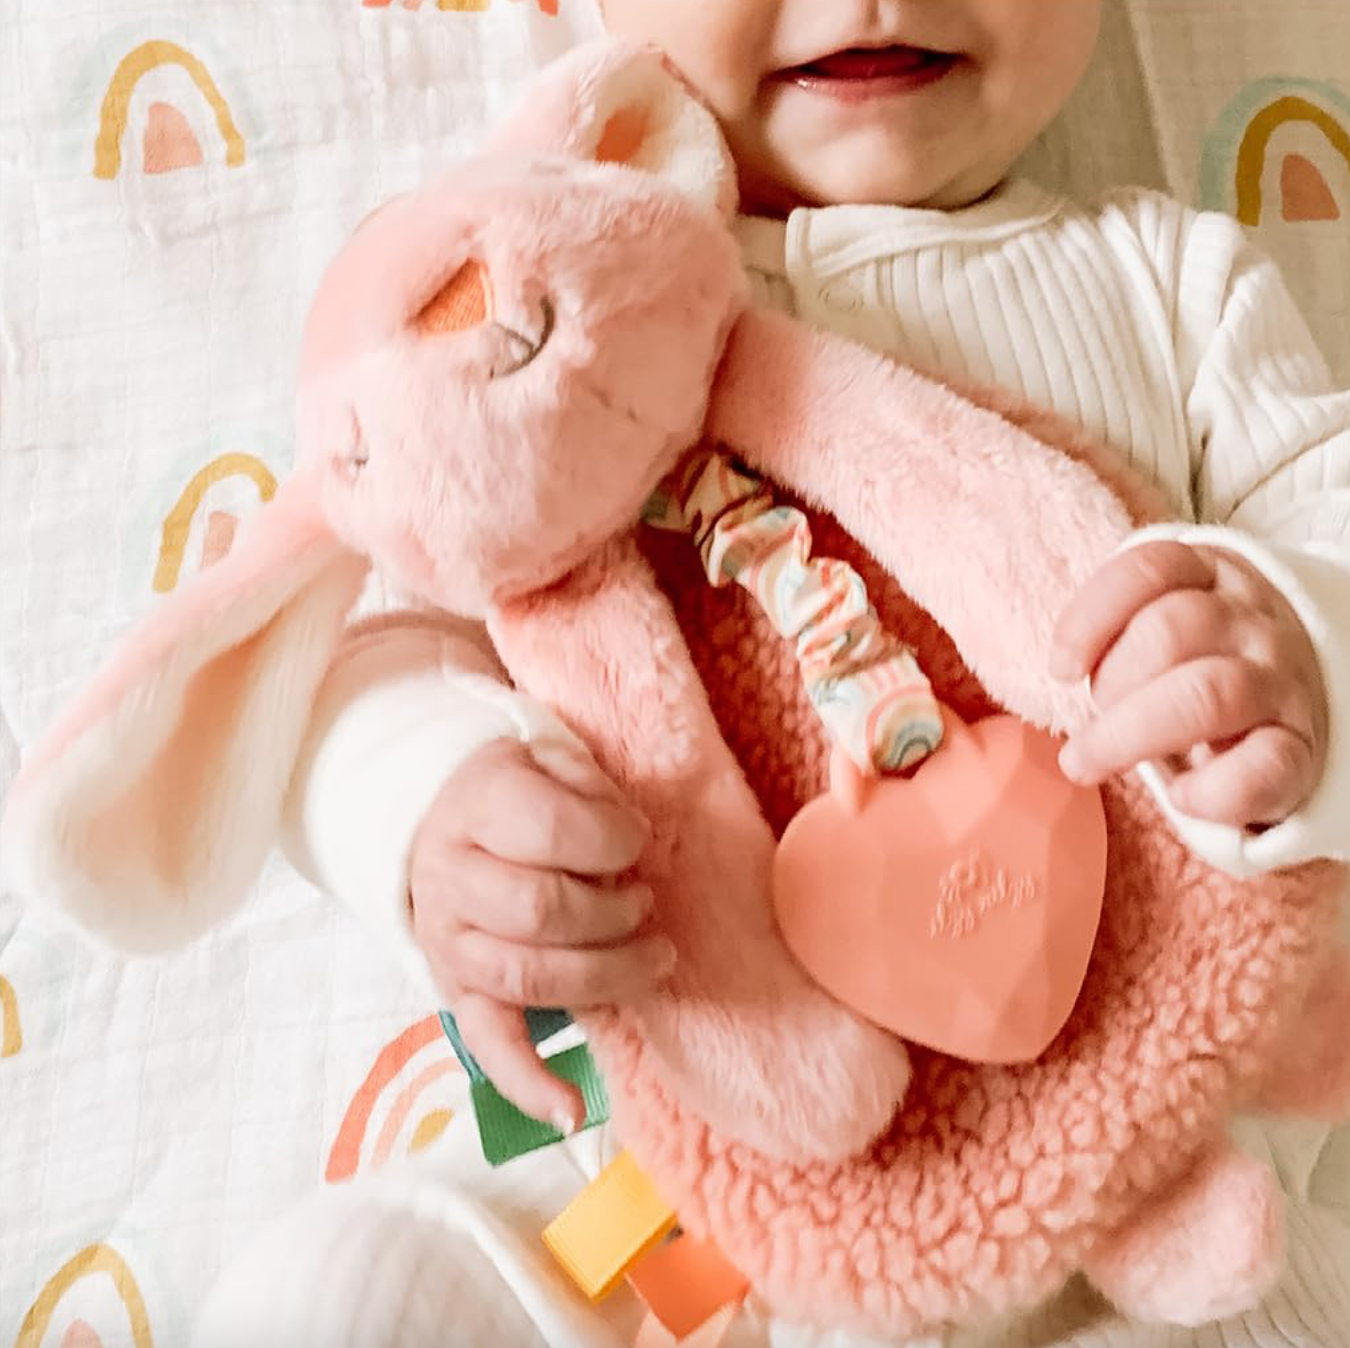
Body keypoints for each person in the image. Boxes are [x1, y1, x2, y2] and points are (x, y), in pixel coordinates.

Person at [201, 2, 1350, 1343]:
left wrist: (1296, 651)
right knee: (338, 1293)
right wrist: (428, 808)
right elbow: (357, 663)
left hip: (1157, 1200)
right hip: (669, 1232)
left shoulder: (1168, 287)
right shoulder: (530, 325)